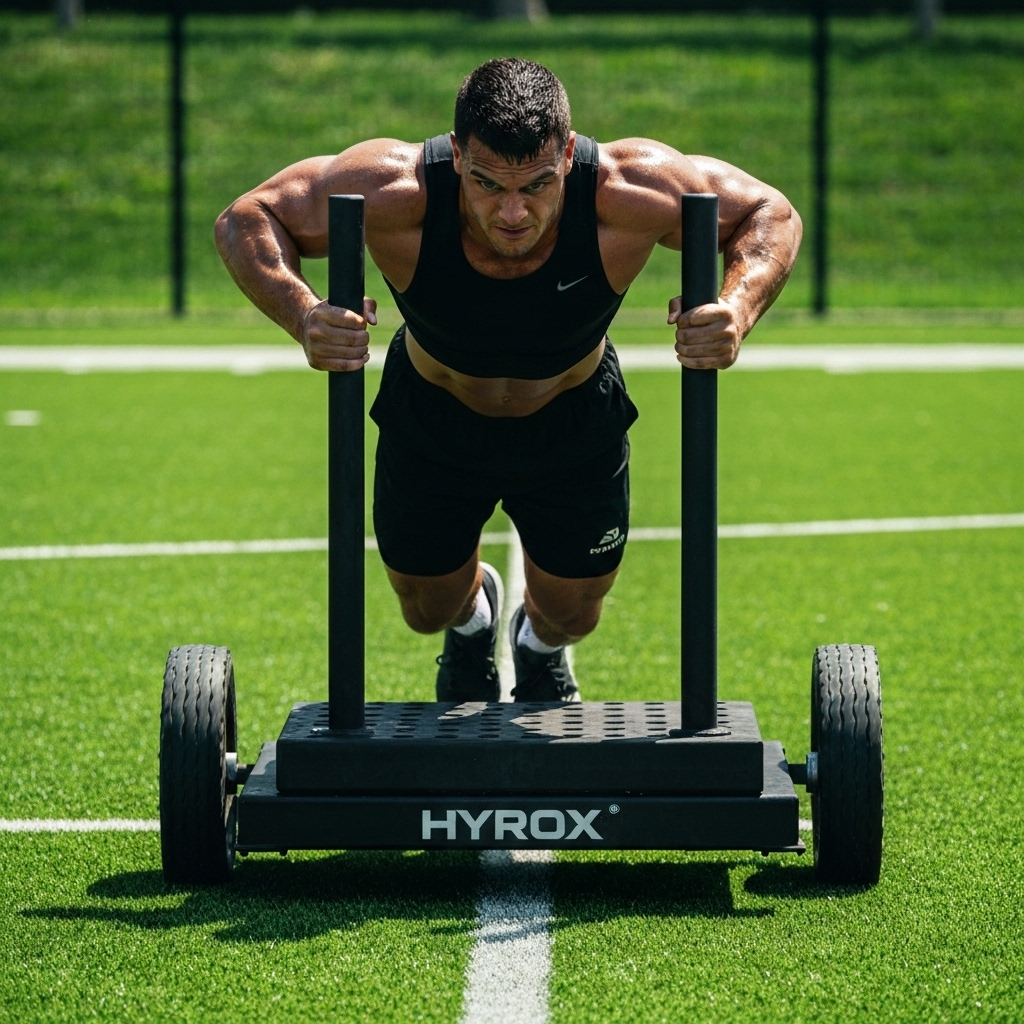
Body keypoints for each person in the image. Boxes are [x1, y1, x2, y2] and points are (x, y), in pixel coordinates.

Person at [215, 57, 801, 704]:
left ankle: (538, 648)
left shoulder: (630, 191)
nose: (514, 211)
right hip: (434, 414)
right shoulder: (397, 191)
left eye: (539, 184)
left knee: (573, 612)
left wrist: (736, 309)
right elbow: (250, 216)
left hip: (572, 418)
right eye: (489, 185)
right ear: (459, 156)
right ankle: (476, 618)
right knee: (424, 608)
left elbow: (770, 212)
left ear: (569, 154)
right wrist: (304, 316)